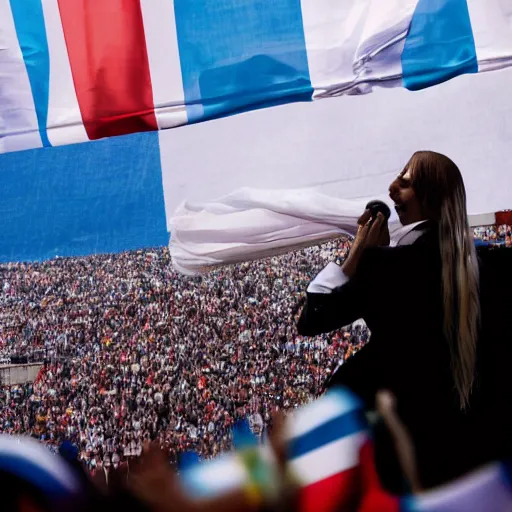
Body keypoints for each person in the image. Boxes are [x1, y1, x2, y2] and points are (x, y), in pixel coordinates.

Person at [297, 150, 512, 490]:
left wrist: (360, 251)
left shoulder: (387, 268)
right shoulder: (497, 264)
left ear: (429, 198)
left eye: (405, 184)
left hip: (412, 453)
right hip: (485, 453)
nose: (392, 188)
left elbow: (312, 318)